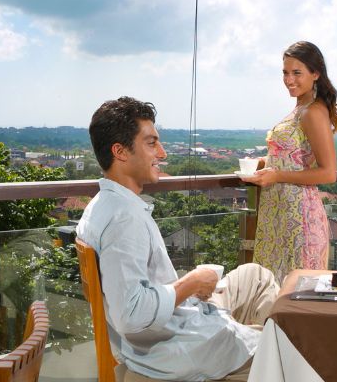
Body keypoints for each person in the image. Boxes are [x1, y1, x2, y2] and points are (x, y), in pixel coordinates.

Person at [76, 96, 280, 382]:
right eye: (151, 143)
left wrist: (191, 284)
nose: (162, 153)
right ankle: (262, 354)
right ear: (120, 151)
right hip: (172, 349)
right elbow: (130, 313)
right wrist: (192, 283)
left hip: (172, 325)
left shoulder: (101, 206)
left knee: (255, 275)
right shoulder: (124, 219)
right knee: (287, 349)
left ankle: (251, 336)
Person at [243, 41, 337, 282]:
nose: (289, 79)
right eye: (285, 73)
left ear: (315, 74)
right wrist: (260, 164)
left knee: (295, 293)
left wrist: (277, 175)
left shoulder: (313, 112)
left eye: (297, 73)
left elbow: (328, 173)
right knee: (272, 291)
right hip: (278, 213)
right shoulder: (301, 108)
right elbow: (292, 157)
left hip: (300, 217)